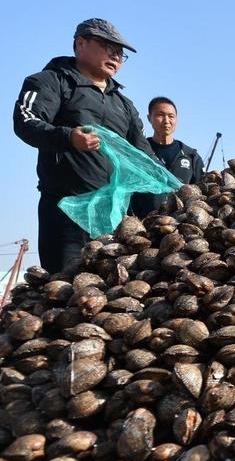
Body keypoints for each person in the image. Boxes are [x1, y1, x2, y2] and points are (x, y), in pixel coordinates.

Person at [13, 18, 155, 274]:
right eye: (108, 46)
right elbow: (26, 122)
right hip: (66, 214)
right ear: (80, 44)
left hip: (115, 216)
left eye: (121, 53)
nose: (116, 56)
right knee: (66, 290)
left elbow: (143, 155)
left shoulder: (123, 104)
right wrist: (68, 137)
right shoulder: (49, 82)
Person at [131, 96, 205, 218]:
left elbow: (201, 193)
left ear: (176, 119)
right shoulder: (139, 152)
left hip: (180, 225)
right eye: (160, 115)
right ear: (149, 118)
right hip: (144, 225)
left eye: (171, 116)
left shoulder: (191, 156)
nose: (166, 121)